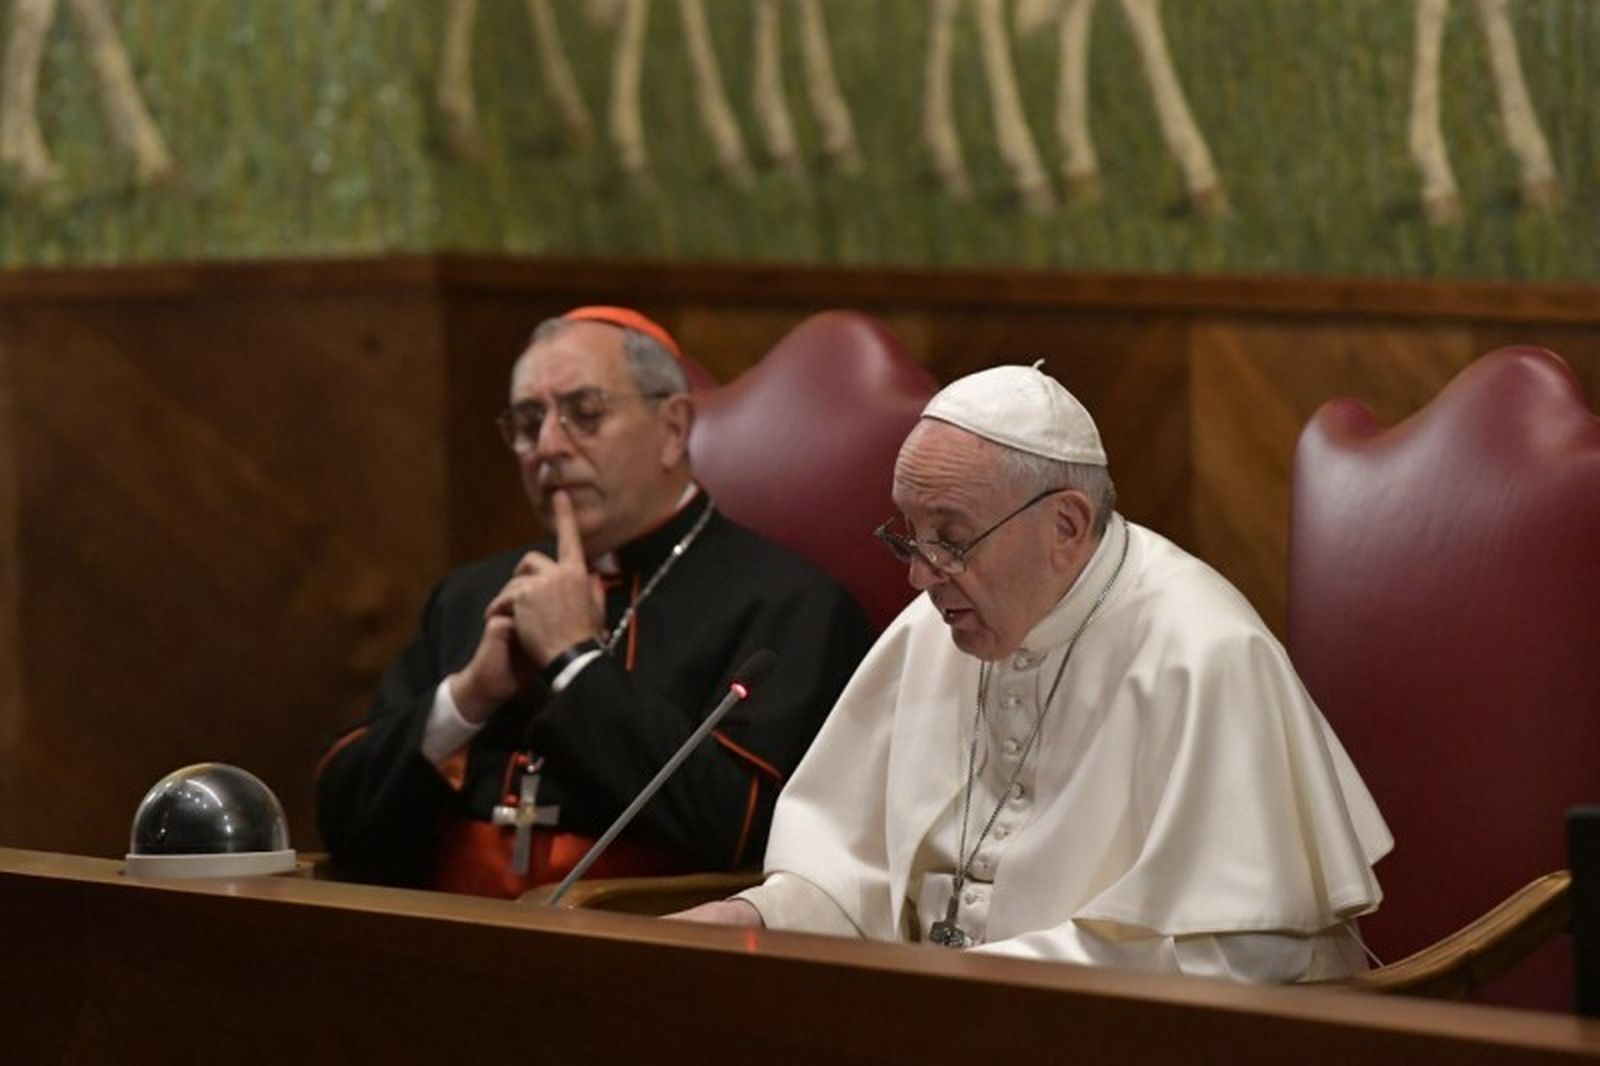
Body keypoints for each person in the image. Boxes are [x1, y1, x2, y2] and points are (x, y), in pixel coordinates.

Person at [677, 362, 1392, 983]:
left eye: (954, 540)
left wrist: (985, 984)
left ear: (1067, 528)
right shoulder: (936, 626)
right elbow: (853, 877)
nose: (921, 576)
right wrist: (759, 916)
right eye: (909, 536)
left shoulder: (1202, 651)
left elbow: (1241, 952)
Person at [316, 306, 874, 897]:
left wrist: (575, 660)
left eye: (585, 414)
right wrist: (469, 697)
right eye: (529, 422)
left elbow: (742, 835)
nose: (548, 446)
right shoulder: (472, 595)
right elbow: (346, 825)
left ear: (674, 429)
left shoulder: (790, 606)